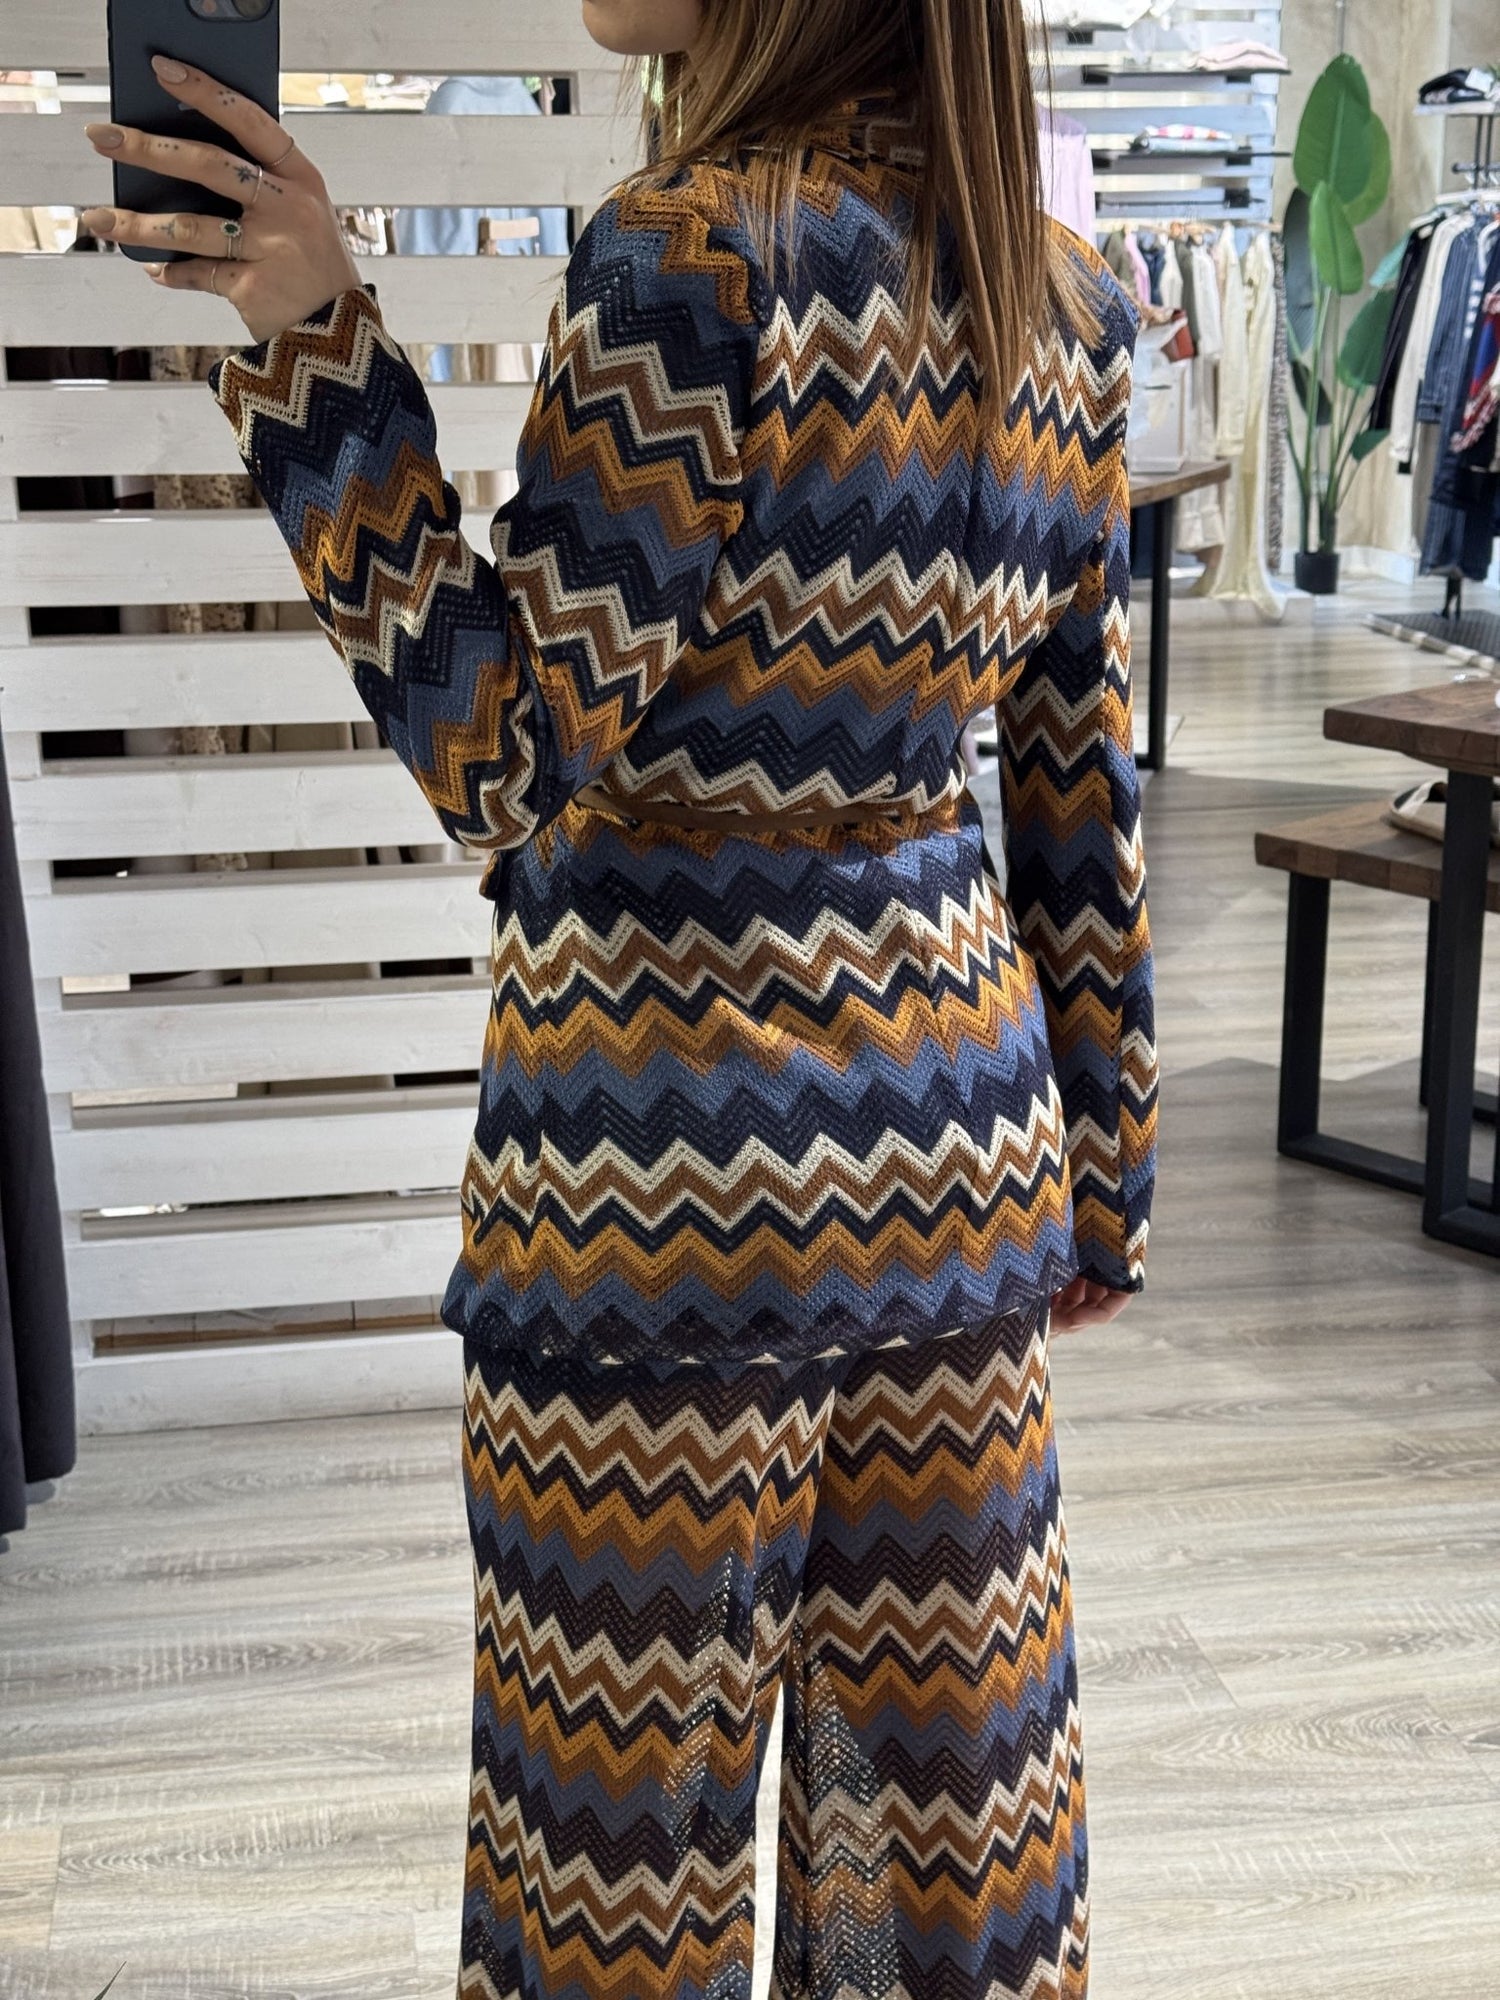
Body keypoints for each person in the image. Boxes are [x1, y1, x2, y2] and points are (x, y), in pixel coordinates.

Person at [81, 1, 1157, 1992]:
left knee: (615, 1880)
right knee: (943, 1862)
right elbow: (1076, 782)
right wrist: (1107, 1174)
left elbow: (500, 756)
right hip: (959, 1175)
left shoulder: (692, 258)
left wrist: (313, 340)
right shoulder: (1068, 296)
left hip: (662, 1203)